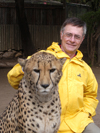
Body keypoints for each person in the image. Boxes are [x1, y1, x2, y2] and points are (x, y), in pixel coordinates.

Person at [7, 17, 100, 133]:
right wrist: (27, 67)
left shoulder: (85, 68)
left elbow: (91, 95)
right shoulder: (42, 57)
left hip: (78, 123)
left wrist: (86, 112)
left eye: (77, 37)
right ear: (61, 35)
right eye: (68, 35)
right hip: (47, 121)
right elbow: (13, 79)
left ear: (82, 39)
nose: (72, 40)